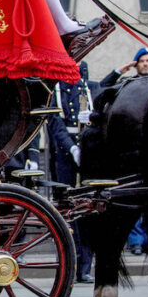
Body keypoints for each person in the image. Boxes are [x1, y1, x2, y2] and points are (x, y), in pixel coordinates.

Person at [46, 62, 96, 283]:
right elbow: (56, 123)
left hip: (84, 152)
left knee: (87, 209)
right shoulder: (57, 88)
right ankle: (71, 262)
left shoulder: (86, 87)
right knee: (68, 211)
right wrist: (72, 147)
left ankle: (85, 266)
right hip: (65, 157)